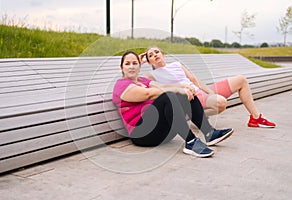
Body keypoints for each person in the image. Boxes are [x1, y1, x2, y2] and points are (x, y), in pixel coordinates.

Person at [112, 51, 234, 158]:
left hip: (162, 132)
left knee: (184, 93)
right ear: (121, 67)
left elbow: (163, 86)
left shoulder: (144, 80)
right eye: (127, 64)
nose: (131, 67)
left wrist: (183, 87)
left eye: (135, 63)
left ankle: (209, 133)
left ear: (139, 66)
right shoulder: (121, 85)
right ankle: (191, 142)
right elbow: (148, 94)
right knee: (168, 96)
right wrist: (177, 90)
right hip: (142, 134)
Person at [140, 46, 276, 128]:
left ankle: (256, 118)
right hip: (189, 98)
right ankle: (197, 117)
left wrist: (210, 92)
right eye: (150, 55)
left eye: (156, 52)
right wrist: (140, 62)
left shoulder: (176, 64)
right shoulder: (151, 74)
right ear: (149, 61)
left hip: (200, 91)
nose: (155, 55)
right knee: (221, 102)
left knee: (241, 80)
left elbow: (194, 80)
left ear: (163, 54)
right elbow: (135, 78)